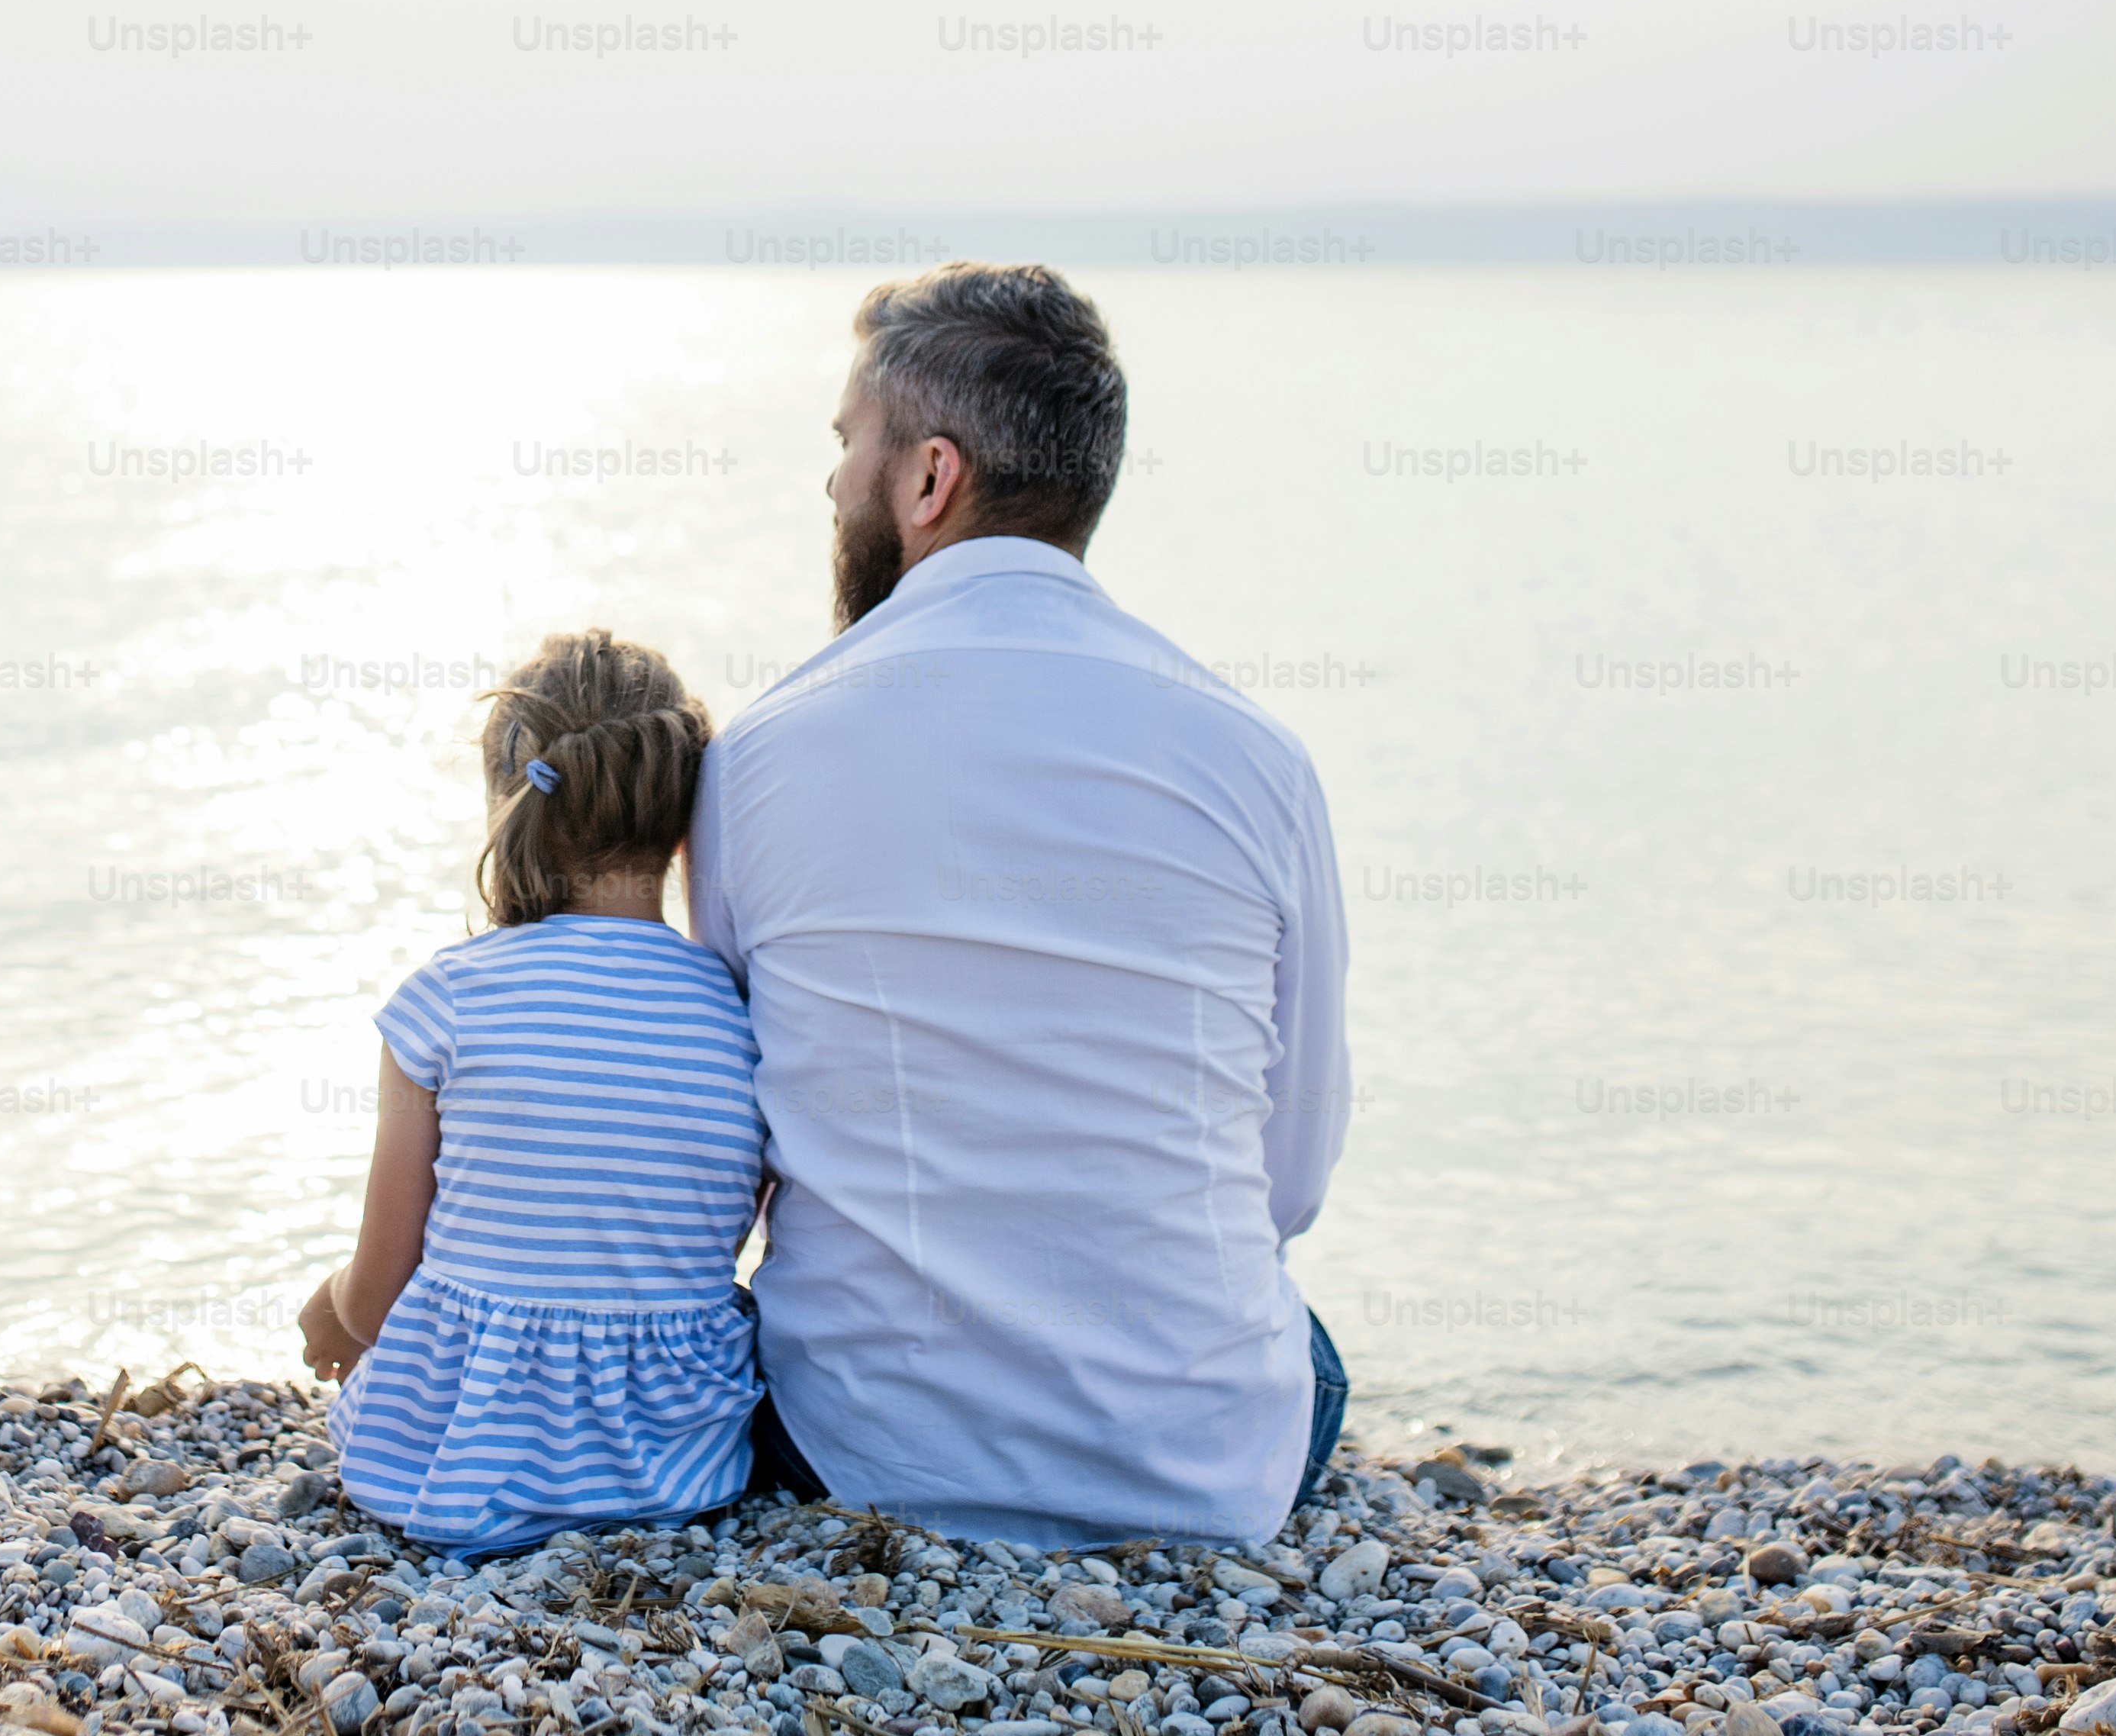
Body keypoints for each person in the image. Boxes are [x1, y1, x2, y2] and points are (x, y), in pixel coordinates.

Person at [689, 262, 1351, 1544]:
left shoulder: (757, 758)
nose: (832, 485)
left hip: (852, 1450)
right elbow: (1288, 1177)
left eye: (846, 446)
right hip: (1197, 1466)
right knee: (1299, 1349)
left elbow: (734, 1160)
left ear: (929, 477)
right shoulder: (1256, 758)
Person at [298, 630, 765, 1554]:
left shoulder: (448, 999)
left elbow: (380, 1293)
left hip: (459, 1467)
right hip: (682, 1469)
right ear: (681, 823)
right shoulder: (739, 1011)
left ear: (509, 802)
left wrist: (328, 1307)